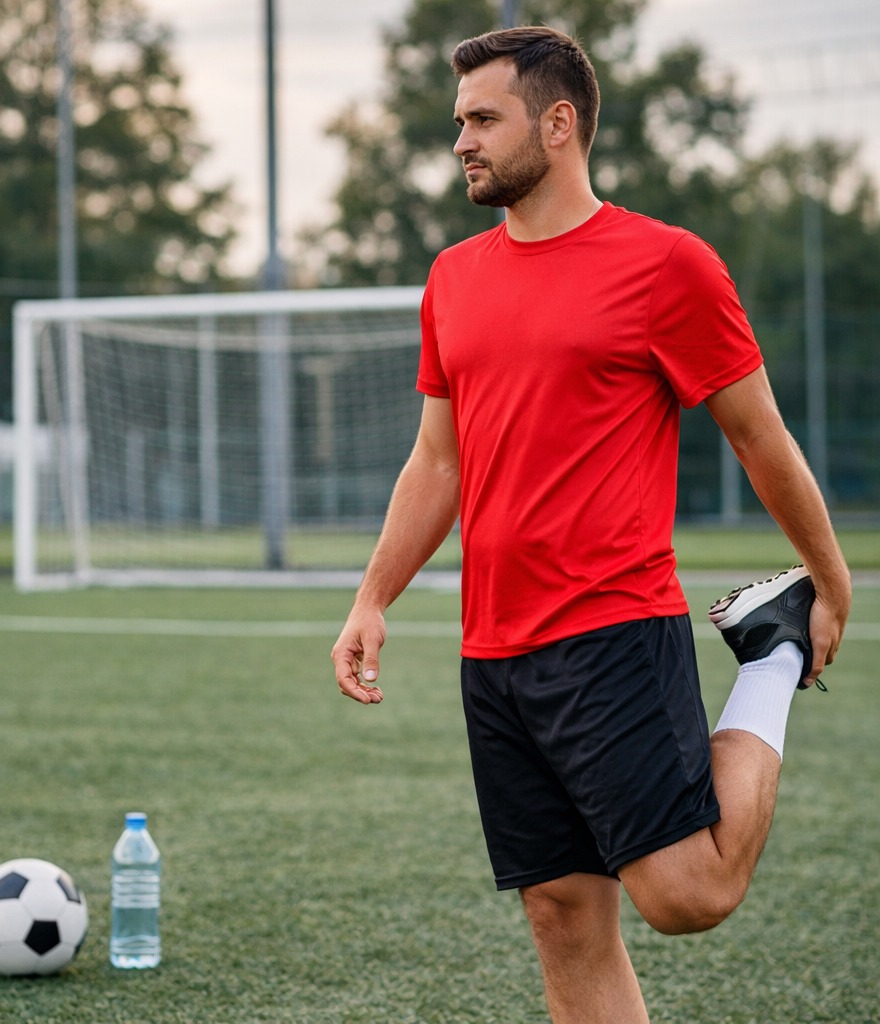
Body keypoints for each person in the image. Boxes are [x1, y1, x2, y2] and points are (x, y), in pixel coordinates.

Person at [330, 25, 852, 1024]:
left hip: (610, 629)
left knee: (687, 894)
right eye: (458, 122)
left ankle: (770, 660)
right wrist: (372, 595)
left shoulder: (666, 264)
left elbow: (759, 434)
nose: (461, 142)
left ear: (559, 123)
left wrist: (827, 582)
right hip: (494, 651)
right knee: (561, 911)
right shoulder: (453, 278)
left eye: (483, 118)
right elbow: (437, 457)